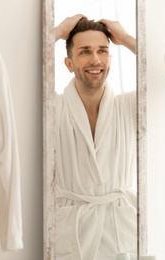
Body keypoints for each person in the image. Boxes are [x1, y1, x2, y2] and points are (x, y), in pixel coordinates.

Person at [53, 15, 137, 260]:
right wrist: (58, 31)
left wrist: (129, 40)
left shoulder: (129, 106)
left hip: (118, 234)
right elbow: (16, 74)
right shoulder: (54, 107)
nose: (96, 60)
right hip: (72, 233)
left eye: (103, 51)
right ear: (69, 63)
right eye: (85, 52)